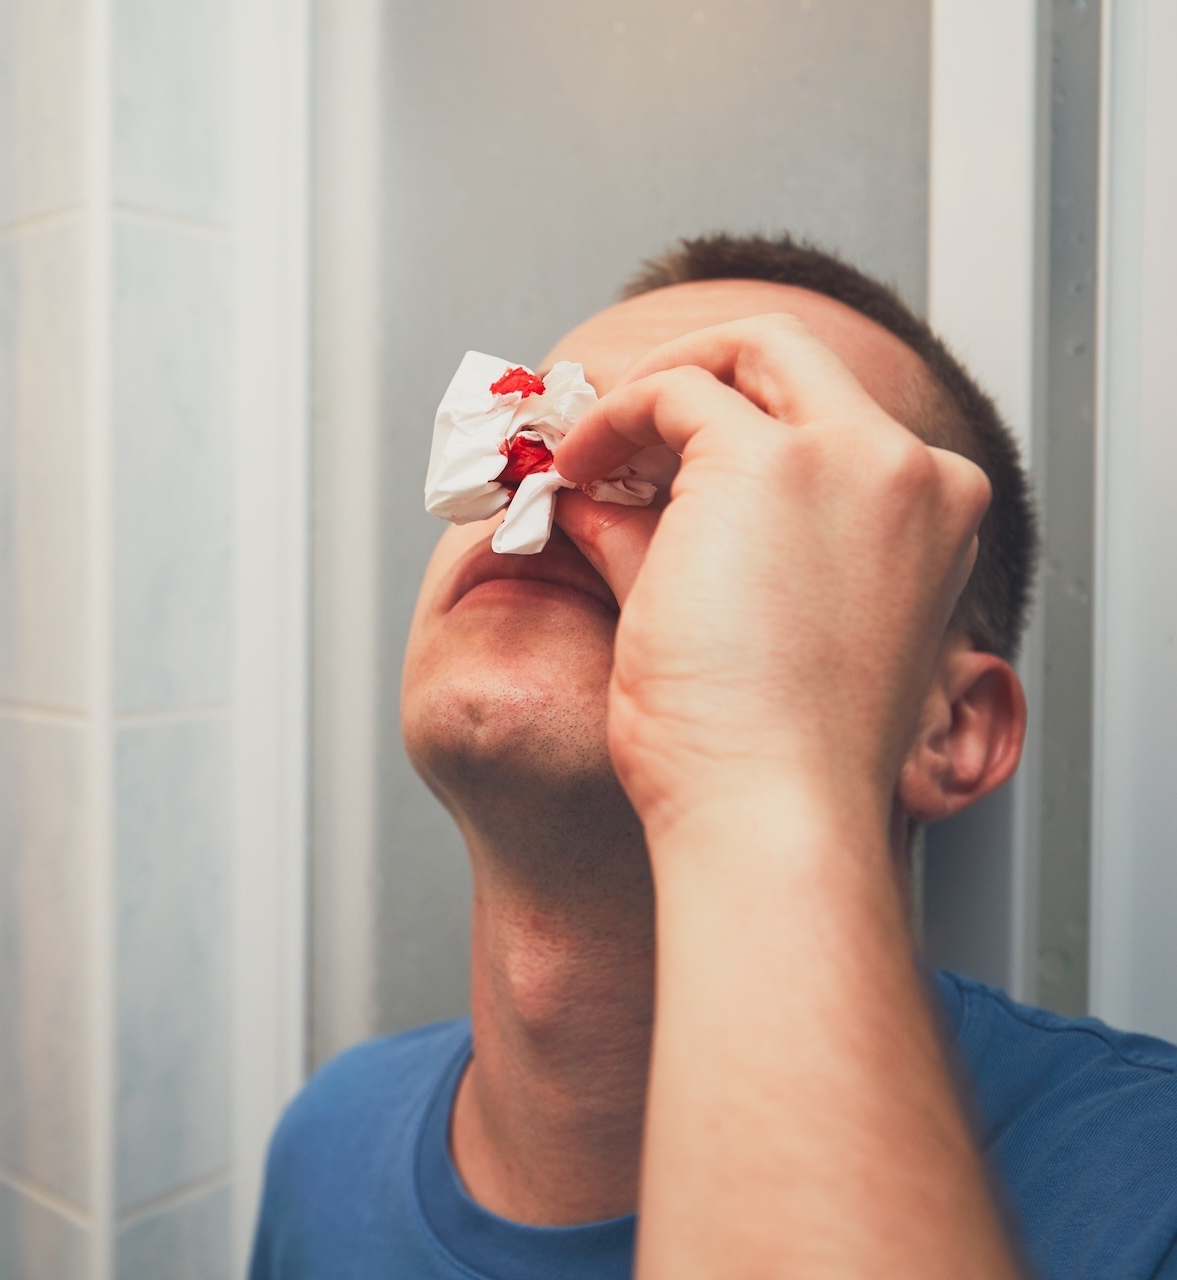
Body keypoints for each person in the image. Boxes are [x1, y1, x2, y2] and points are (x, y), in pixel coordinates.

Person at [251, 236, 1177, 1278]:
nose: (551, 491)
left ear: (949, 729)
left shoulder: (1150, 1195)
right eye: (528, 426)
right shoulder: (326, 1139)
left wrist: (754, 762)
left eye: (701, 466)